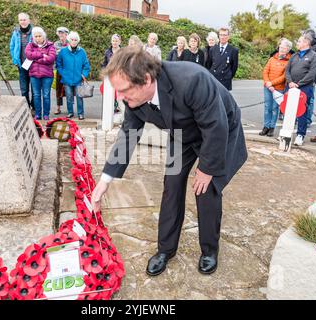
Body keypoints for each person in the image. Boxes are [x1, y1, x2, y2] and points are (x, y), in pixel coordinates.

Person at [91, 47, 248, 276]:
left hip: (219, 130)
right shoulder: (134, 99)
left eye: (123, 91)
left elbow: (216, 126)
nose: (120, 98)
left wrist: (205, 169)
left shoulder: (193, 79)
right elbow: (128, 135)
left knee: (206, 189)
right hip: (182, 135)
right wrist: (104, 182)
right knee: (172, 185)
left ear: (146, 79)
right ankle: (166, 249)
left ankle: (209, 251)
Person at [285, 33, 316, 146]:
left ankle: (300, 135)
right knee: (289, 111)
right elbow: (287, 70)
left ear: (306, 42)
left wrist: (298, 84)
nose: (297, 43)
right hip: (290, 87)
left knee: (302, 112)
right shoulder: (294, 55)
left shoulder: (314, 56)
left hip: (304, 88)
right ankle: (286, 134)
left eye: (299, 41)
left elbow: (312, 73)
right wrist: (290, 82)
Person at [259, 38, 292, 137]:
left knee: (274, 108)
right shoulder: (272, 58)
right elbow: (265, 71)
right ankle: (266, 126)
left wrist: (271, 83)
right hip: (267, 87)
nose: (281, 49)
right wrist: (267, 83)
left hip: (279, 88)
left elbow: (284, 76)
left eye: (284, 48)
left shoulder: (289, 61)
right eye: (280, 47)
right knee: (267, 107)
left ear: (288, 49)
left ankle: (272, 128)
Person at [56, 31, 91, 120]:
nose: (74, 41)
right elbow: (58, 64)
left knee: (79, 97)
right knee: (69, 97)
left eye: (76, 40)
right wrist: (63, 73)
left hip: (78, 79)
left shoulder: (82, 51)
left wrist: (83, 74)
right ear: (69, 40)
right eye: (72, 39)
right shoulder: (63, 51)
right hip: (66, 79)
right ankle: (70, 112)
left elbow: (86, 66)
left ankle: (80, 113)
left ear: (78, 41)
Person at [25, 27, 56, 121]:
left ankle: (46, 114)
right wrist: (42, 55)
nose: (38, 38)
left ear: (43, 36)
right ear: (33, 37)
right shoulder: (30, 45)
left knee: (46, 95)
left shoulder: (50, 45)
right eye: (36, 36)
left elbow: (51, 58)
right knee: (36, 95)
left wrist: (35, 59)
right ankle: (38, 114)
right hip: (34, 75)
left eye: (40, 36)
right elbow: (28, 55)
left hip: (47, 75)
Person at [9, 13, 34, 110]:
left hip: (33, 64)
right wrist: (14, 58)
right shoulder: (16, 32)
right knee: (24, 89)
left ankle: (34, 107)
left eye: (24, 19)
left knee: (34, 89)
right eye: (21, 20)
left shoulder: (34, 32)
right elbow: (12, 46)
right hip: (21, 65)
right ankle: (26, 107)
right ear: (19, 21)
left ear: (29, 20)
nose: (23, 22)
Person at [101, 34, 122, 113]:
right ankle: (111, 107)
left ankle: (119, 107)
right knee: (109, 92)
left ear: (119, 42)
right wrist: (104, 72)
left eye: (116, 41)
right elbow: (104, 64)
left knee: (119, 92)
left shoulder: (122, 51)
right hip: (109, 76)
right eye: (113, 41)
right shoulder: (107, 52)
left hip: (120, 76)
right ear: (111, 41)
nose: (115, 42)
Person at [53, 26, 69, 115]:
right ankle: (58, 107)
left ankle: (69, 109)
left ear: (67, 34)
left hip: (68, 70)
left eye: (63, 33)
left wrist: (61, 52)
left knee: (69, 89)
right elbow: (55, 54)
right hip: (58, 69)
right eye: (60, 33)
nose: (61, 35)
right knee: (58, 89)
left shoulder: (71, 43)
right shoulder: (56, 44)